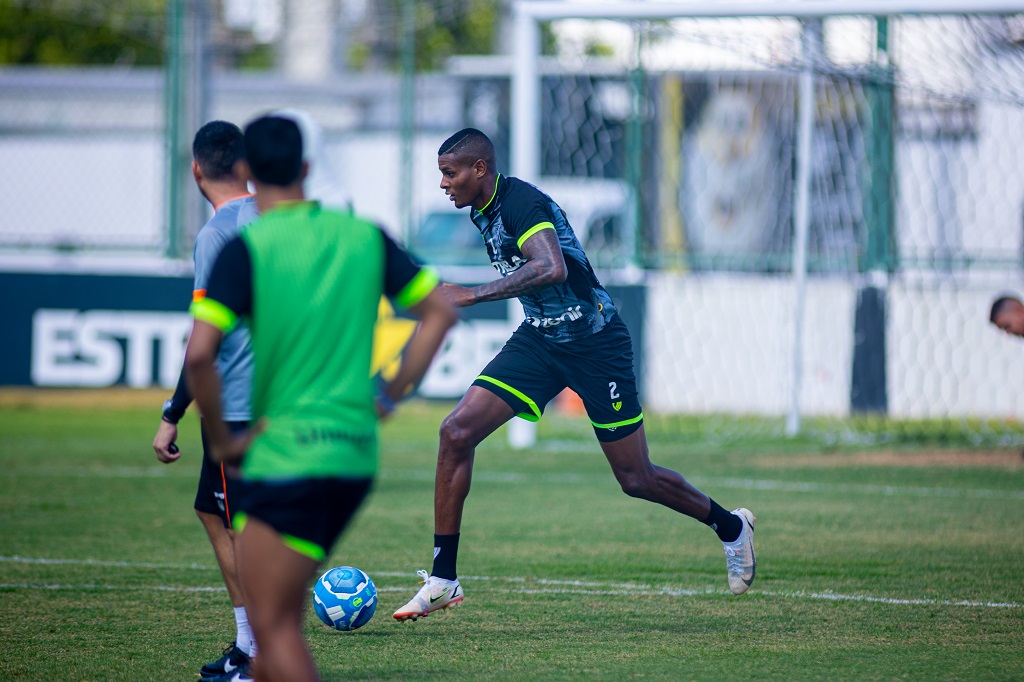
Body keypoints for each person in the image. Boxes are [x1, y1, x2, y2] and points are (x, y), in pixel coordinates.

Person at [393, 128, 757, 622]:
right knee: (455, 432)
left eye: (449, 172)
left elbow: (552, 267)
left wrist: (472, 294)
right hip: (540, 342)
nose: (443, 183)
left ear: (480, 169)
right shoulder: (482, 208)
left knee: (635, 478)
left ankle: (731, 528)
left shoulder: (521, 202)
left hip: (596, 345)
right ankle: (443, 579)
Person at [184, 114, 457, 682]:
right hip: (354, 455)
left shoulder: (246, 248)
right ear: (306, 168)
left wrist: (224, 439)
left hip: (286, 454)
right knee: (274, 625)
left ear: (245, 172)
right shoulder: (363, 234)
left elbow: (200, 356)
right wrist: (390, 393)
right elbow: (438, 312)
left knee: (272, 625)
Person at [151, 120, 259, 679]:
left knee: (239, 525)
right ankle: (249, 647)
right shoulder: (274, 214)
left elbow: (204, 338)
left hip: (236, 402)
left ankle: (257, 654)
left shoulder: (217, 234)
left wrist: (172, 413)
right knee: (212, 512)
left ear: (196, 169)